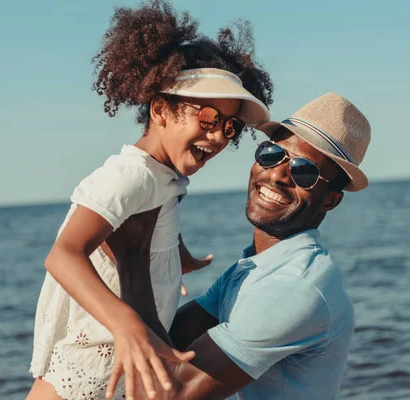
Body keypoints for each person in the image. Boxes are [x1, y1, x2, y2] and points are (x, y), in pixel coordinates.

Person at [25, 1, 273, 399]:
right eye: (207, 118)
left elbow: (156, 215)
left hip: (127, 356)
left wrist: (179, 256)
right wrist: (125, 322)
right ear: (160, 109)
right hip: (95, 356)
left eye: (230, 127)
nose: (217, 137)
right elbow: (63, 255)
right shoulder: (131, 174)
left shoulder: (164, 176)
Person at [127, 92, 371, 399]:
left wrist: (131, 253)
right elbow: (166, 341)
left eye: (304, 171)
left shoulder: (294, 286)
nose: (277, 175)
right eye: (271, 154)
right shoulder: (256, 267)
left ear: (332, 199)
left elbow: (169, 394)